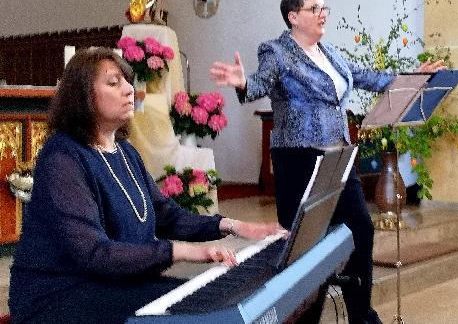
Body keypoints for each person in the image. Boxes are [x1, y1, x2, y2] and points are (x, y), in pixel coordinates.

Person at [209, 0, 445, 324]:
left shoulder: (329, 52)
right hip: (299, 160)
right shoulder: (276, 51)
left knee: (361, 229)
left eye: (324, 8)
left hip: (337, 156)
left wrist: (412, 77)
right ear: (293, 16)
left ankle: (361, 315)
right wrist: (244, 83)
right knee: (304, 245)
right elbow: (260, 83)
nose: (323, 14)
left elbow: (366, 77)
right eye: (315, 8)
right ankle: (302, 316)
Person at [8, 47, 282, 324]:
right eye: (114, 83)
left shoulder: (124, 151)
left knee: (214, 302)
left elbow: (164, 214)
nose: (130, 89)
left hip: (116, 284)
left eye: (128, 80)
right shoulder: (62, 156)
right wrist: (186, 252)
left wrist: (231, 225)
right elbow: (95, 253)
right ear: (82, 96)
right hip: (60, 296)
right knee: (200, 312)